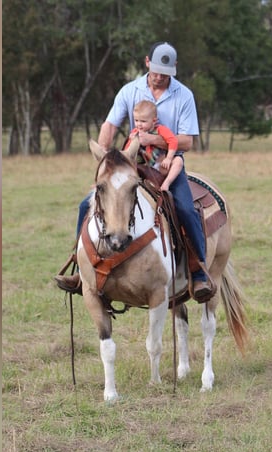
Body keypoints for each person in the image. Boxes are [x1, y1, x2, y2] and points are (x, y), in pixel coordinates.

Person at [55, 41, 215, 303]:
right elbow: (110, 124)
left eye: (166, 73)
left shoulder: (184, 95)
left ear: (174, 70)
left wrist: (154, 141)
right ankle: (79, 267)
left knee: (186, 208)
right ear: (147, 62)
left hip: (167, 166)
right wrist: (105, 155)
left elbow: (187, 141)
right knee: (86, 205)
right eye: (156, 71)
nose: (160, 77)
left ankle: (198, 272)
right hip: (132, 165)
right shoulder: (130, 91)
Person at [126, 100, 183, 192]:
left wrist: (168, 158)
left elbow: (173, 141)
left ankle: (166, 183)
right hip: (143, 167)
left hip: (160, 165)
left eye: (143, 121)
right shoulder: (134, 133)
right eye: (136, 120)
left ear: (154, 121)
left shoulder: (161, 130)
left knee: (178, 161)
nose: (139, 124)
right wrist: (132, 142)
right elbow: (127, 151)